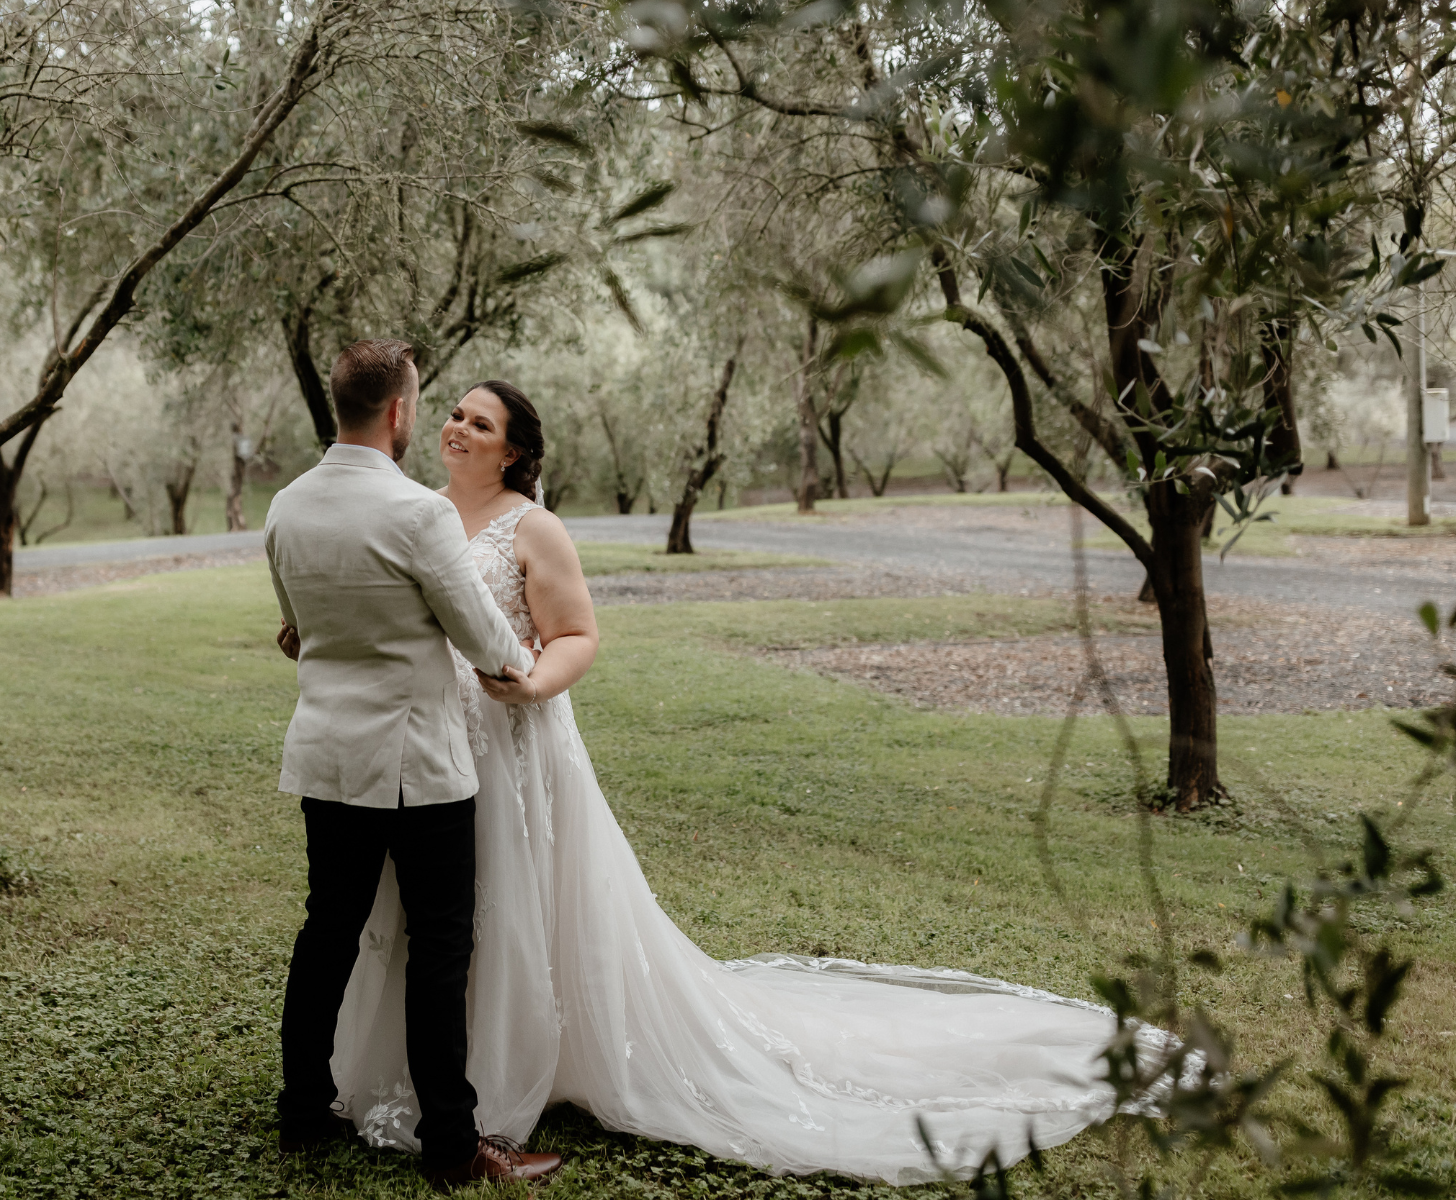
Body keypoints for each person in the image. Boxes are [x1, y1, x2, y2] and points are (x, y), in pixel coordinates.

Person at [321, 378, 1154, 1185]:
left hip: (512, 738)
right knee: (430, 915)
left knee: (509, 899)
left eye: (481, 423)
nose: (458, 429)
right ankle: (425, 1072)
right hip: (430, 744)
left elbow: (575, 634)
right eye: (456, 414)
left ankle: (509, 1072)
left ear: (513, 454)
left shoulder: (532, 529)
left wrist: (533, 685)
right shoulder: (420, 512)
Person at [265, 339, 565, 1190]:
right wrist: (520, 660)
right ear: (399, 410)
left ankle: (301, 1110)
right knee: (441, 948)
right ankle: (451, 1145)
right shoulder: (419, 514)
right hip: (417, 766)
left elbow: (296, 630)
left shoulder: (285, 506)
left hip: (326, 757)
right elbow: (487, 642)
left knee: (328, 933)